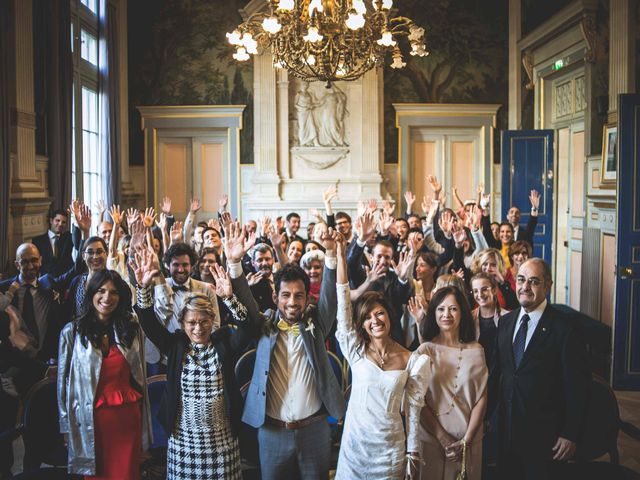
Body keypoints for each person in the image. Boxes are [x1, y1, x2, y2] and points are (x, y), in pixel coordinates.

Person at [226, 222, 345, 480]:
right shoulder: (264, 325)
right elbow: (245, 300)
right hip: (272, 430)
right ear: (275, 297)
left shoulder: (317, 324)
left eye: (299, 296)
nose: (292, 302)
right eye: (286, 295)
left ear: (306, 298)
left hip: (314, 429)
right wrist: (234, 264)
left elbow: (330, 297)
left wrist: (332, 253)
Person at [132, 247, 253, 480]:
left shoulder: (224, 342)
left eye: (204, 322)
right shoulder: (176, 344)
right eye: (192, 323)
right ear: (182, 323)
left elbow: (248, 328)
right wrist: (143, 287)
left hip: (222, 439)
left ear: (211, 320)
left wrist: (229, 298)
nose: (198, 329)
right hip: (183, 438)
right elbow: (147, 321)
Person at [335, 231, 430, 479]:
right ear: (362, 324)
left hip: (390, 449)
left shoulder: (412, 360)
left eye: (379, 314)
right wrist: (341, 260)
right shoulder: (355, 350)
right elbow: (343, 305)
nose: (374, 320)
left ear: (389, 316)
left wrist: (413, 453)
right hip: (355, 446)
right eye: (367, 317)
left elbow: (413, 411)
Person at [488, 258, 589, 480]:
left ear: (548, 285)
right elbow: (498, 375)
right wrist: (485, 417)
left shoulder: (566, 328)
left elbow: (578, 387)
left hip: (547, 438)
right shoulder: (505, 322)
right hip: (507, 433)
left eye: (534, 281)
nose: (525, 287)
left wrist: (570, 434)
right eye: (522, 280)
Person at [57, 270, 152, 478]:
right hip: (91, 421)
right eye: (101, 291)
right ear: (91, 294)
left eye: (114, 292)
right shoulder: (71, 332)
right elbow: (63, 384)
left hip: (127, 419)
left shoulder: (131, 329)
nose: (107, 297)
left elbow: (141, 376)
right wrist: (66, 426)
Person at [417, 287, 488, 480]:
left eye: (453, 309)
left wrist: (467, 440)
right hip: (432, 440)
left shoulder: (477, 350)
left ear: (462, 314)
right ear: (434, 313)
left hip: (469, 441)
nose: (446, 314)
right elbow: (417, 401)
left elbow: (481, 397)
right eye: (441, 309)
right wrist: (442, 437)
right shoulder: (425, 351)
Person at [470, 273, 507, 358]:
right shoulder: (469, 317)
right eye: (475, 291)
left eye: (484, 289)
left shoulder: (507, 317)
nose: (480, 294)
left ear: (494, 290)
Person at [32, 209, 74, 276]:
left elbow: (78, 240)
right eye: (57, 220)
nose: (60, 224)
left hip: (66, 280)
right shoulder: (37, 241)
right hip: (46, 281)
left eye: (63, 222)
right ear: (51, 221)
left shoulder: (68, 238)